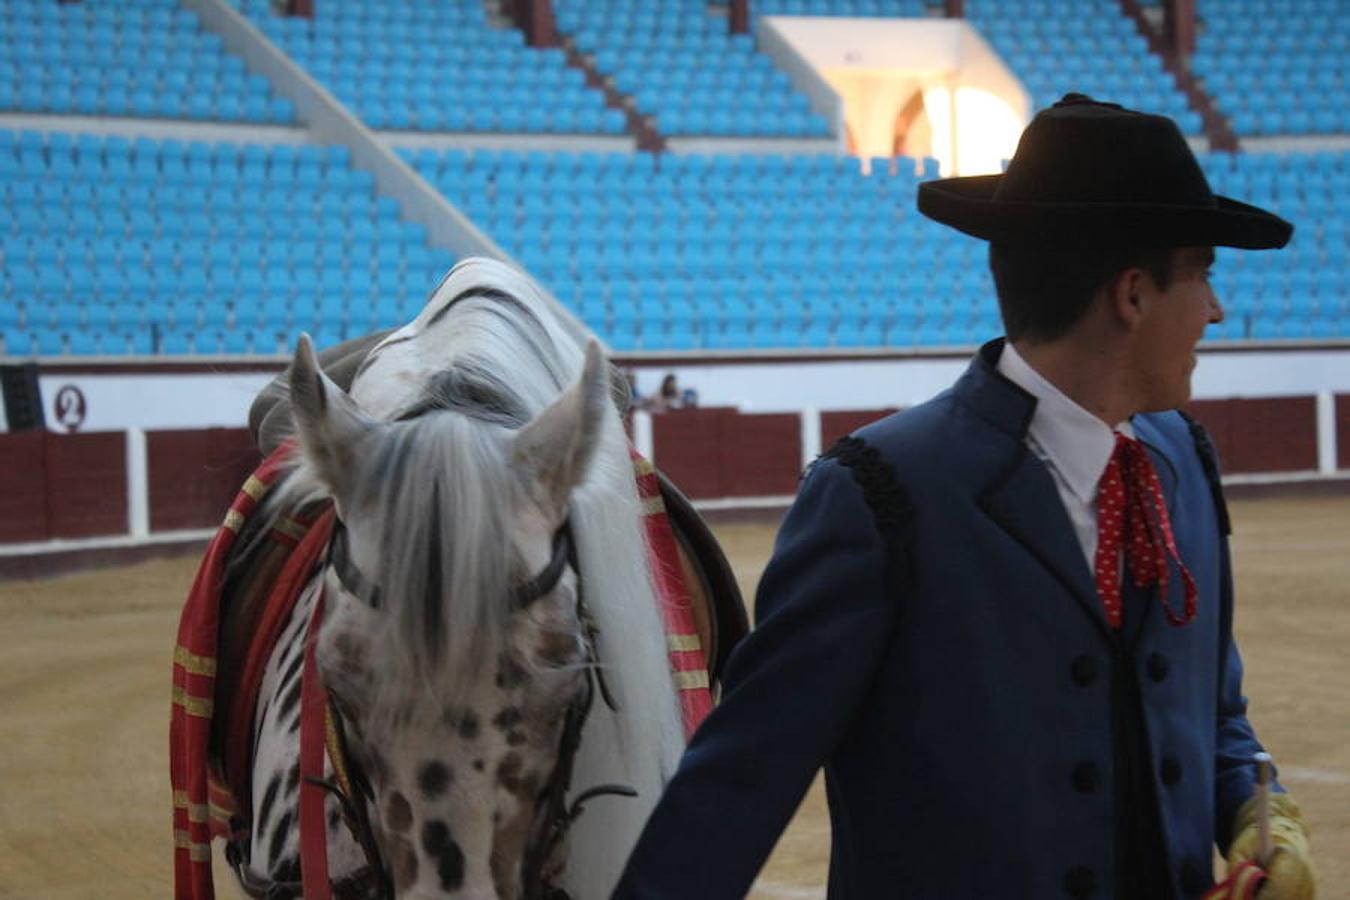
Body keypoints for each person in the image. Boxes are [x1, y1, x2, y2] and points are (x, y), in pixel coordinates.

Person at [612, 96, 1316, 899]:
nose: (1216, 310)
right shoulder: (880, 495)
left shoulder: (1181, 460)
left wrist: (1258, 810)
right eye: (1203, 274)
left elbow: (1211, 712)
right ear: (1132, 294)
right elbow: (739, 784)